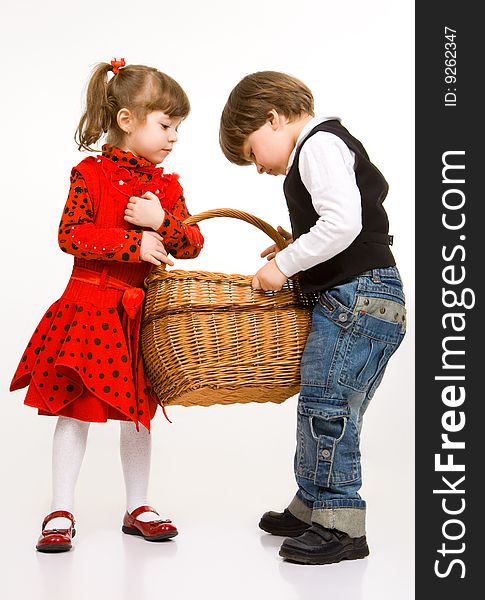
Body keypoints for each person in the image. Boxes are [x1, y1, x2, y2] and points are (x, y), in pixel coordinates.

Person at [10, 59, 204, 553]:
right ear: (126, 121)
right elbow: (70, 234)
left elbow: (193, 244)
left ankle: (137, 504)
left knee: (136, 412)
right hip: (89, 308)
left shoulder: (166, 189)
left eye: (177, 127)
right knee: (74, 408)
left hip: (136, 317)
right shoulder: (89, 173)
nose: (174, 137)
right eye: (165, 125)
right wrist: (131, 245)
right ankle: (61, 507)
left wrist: (163, 222)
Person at [219, 71, 406, 565]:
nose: (257, 167)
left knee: (330, 409)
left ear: (273, 119)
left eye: (252, 152)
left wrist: (283, 264)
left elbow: (343, 223)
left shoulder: (319, 144)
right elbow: (336, 224)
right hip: (358, 297)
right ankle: (313, 503)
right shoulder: (323, 146)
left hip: (359, 298)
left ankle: (340, 523)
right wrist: (296, 245)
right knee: (323, 400)